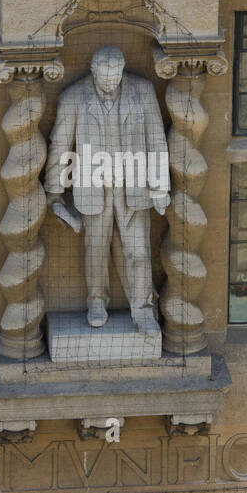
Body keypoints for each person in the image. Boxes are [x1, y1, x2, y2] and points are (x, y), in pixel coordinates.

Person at [45, 46, 170, 334]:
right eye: (106, 77)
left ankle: (143, 312)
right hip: (92, 187)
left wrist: (160, 186)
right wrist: (54, 191)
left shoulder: (143, 91)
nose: (112, 82)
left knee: (138, 251)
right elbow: (60, 147)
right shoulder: (73, 98)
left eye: (116, 76)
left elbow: (157, 141)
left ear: (123, 70)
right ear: (93, 71)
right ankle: (96, 301)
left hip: (134, 186)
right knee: (96, 249)